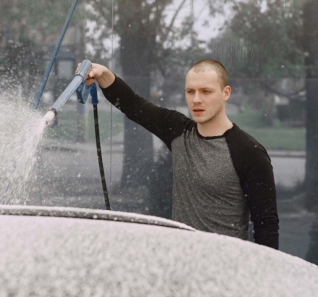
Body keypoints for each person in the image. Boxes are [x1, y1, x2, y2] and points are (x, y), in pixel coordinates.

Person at [84, 59, 279, 250]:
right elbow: (132, 105)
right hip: (182, 263)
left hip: (226, 271)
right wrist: (104, 74)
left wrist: (262, 279)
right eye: (190, 91)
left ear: (225, 93)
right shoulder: (178, 131)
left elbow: (266, 225)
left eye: (206, 91)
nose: (196, 99)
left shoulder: (248, 152)